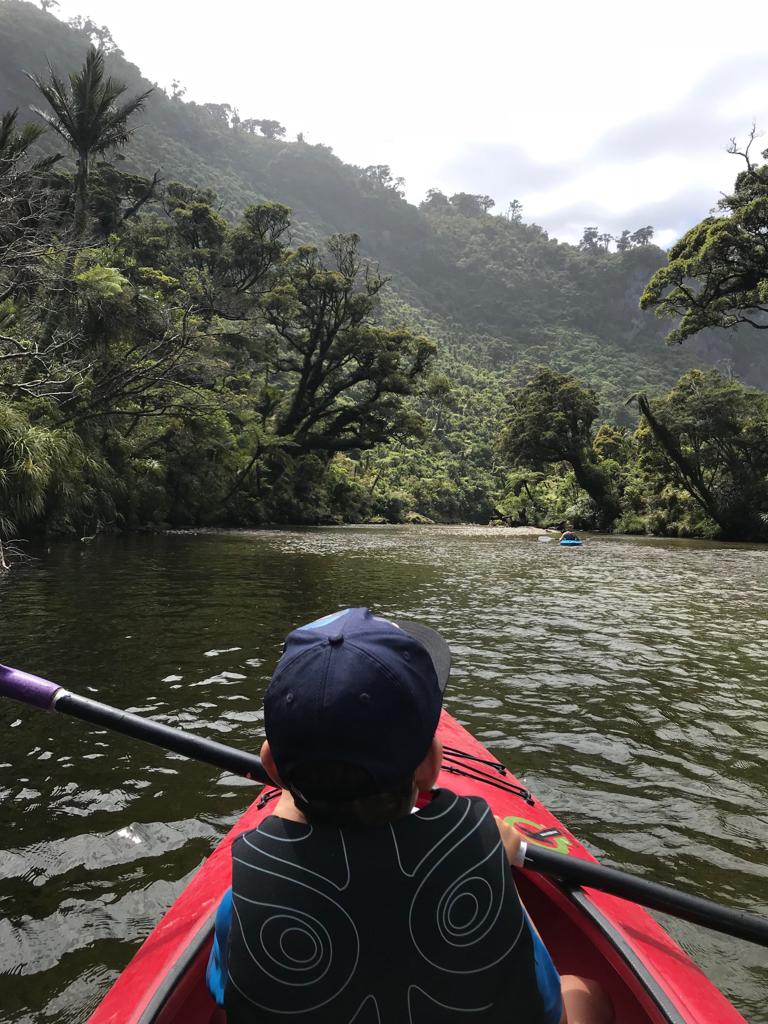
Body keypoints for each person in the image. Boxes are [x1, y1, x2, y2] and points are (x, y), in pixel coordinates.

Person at [206, 608, 612, 1023]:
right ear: (430, 766)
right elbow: (546, 1014)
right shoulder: (479, 871)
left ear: (271, 767)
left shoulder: (238, 903)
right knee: (588, 995)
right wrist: (490, 860)